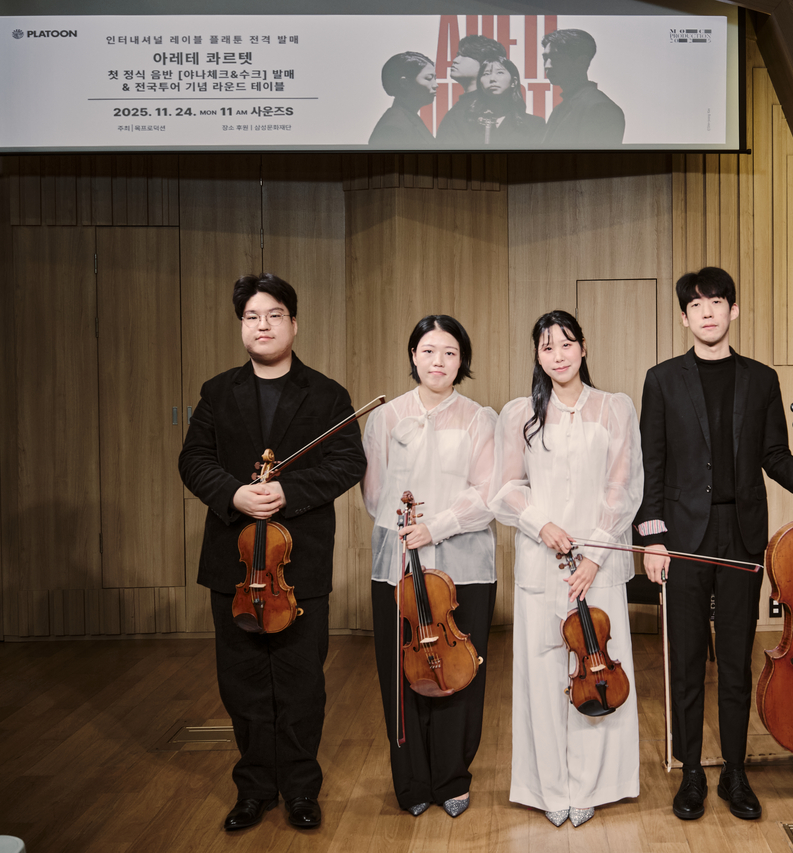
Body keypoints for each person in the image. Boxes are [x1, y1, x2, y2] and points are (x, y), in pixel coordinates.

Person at [635, 267, 793, 822]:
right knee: (686, 661)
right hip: (682, 537)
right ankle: (692, 772)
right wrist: (652, 538)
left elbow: (773, 454)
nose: (707, 312)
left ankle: (735, 771)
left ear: (734, 310)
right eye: (696, 305)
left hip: (742, 535)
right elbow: (652, 463)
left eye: (717, 302)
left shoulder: (761, 378)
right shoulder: (662, 379)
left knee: (735, 662)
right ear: (684, 317)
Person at [179, 273, 367, 832]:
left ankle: (302, 789)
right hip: (234, 565)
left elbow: (347, 463)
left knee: (301, 682)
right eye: (251, 317)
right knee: (242, 683)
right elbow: (194, 460)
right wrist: (233, 494)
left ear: (293, 323)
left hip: (297, 565)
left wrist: (289, 491)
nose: (262, 325)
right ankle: (255, 789)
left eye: (273, 315)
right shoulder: (217, 392)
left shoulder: (327, 394)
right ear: (242, 326)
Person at [491, 310, 642, 828]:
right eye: (547, 346)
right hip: (542, 560)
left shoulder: (615, 408)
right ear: (537, 355)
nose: (558, 354)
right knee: (544, 674)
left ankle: (594, 786)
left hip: (598, 563)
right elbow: (505, 488)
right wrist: (541, 524)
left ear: (583, 347)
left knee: (597, 673)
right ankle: (549, 787)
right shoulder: (519, 414)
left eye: (566, 343)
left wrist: (596, 554)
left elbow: (624, 488)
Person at [360, 315, 498, 820]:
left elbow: (488, 494)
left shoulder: (480, 418)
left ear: (462, 361)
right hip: (398, 565)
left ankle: (453, 776)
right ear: (413, 356)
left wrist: (436, 527)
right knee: (402, 672)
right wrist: (409, 532)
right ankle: (412, 780)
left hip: (465, 567)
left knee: (460, 670)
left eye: (450, 352)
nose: (438, 361)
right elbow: (375, 495)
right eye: (428, 351)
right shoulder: (385, 418)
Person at [540, 29, 625, 146]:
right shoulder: (560, 108)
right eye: (545, 58)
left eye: (557, 58)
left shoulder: (600, 108)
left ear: (582, 61)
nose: (547, 65)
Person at [438, 58, 545, 147]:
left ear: (514, 82)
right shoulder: (460, 120)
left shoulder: (534, 125)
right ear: (480, 83)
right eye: (486, 74)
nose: (492, 79)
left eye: (500, 72)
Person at [436, 34, 508, 143]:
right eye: (457, 55)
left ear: (485, 64)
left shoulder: (484, 109)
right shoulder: (468, 105)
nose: (455, 60)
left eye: (465, 56)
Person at [369, 52, 438, 148]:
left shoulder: (408, 118)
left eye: (435, 78)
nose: (435, 85)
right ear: (404, 83)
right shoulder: (393, 128)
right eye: (428, 78)